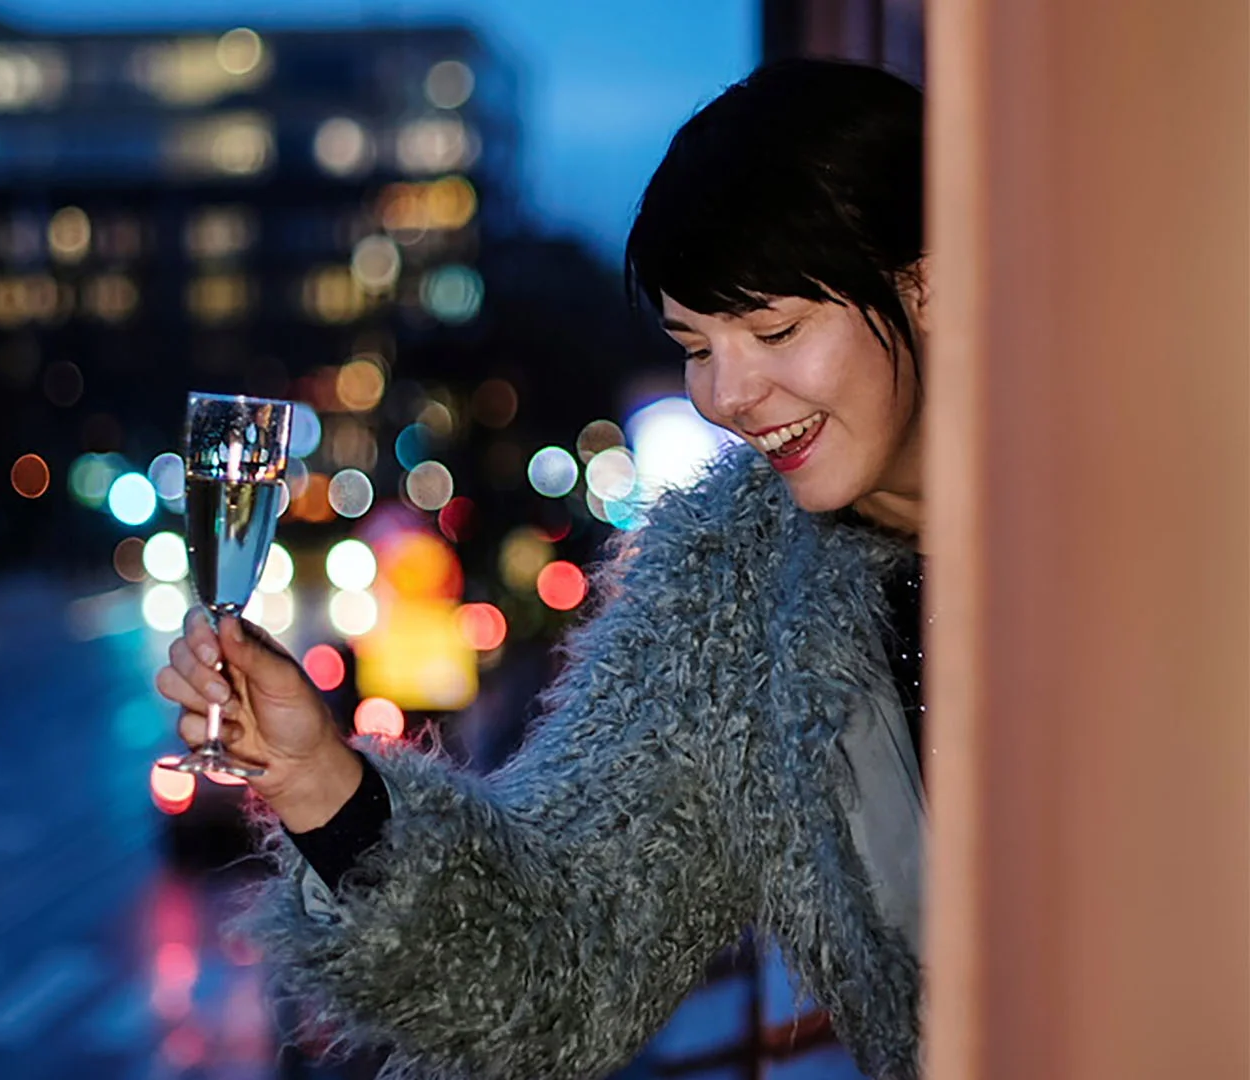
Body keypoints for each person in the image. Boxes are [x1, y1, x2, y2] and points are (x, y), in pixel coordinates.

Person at [156, 59, 929, 1080]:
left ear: (927, 283)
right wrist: (324, 785)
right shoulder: (733, 594)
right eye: (694, 345)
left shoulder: (1157, 512)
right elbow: (558, 964)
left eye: (774, 329)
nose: (730, 394)